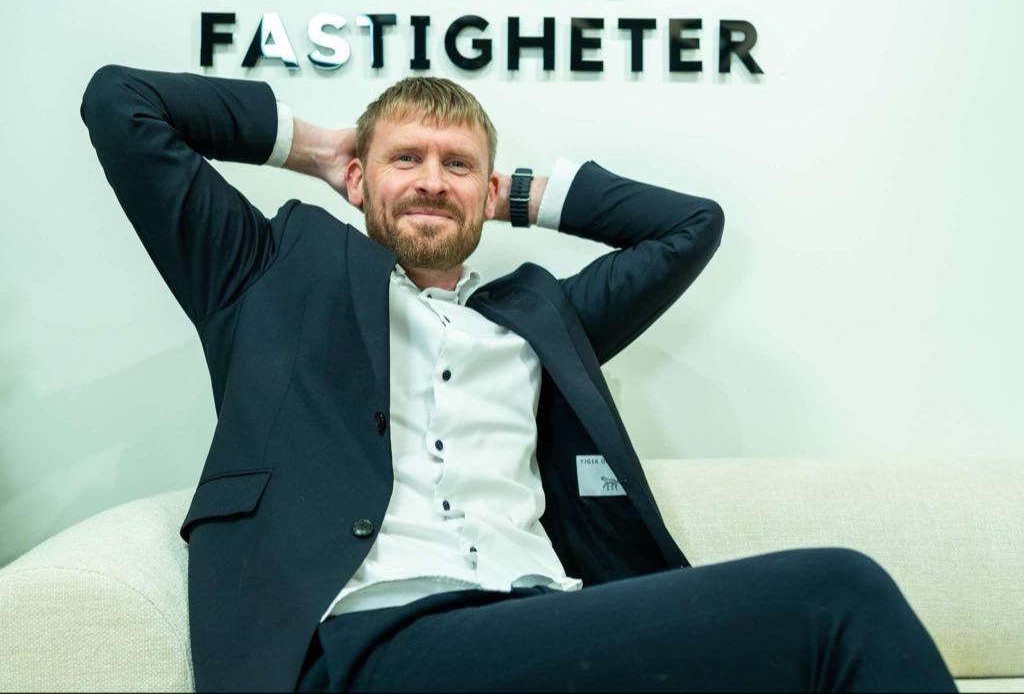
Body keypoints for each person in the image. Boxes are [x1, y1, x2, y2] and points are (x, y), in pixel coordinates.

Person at [79, 65, 956, 693]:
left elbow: (691, 225)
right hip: (371, 640)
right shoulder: (268, 274)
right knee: (839, 596)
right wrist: (318, 149)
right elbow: (121, 103)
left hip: (541, 623)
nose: (432, 181)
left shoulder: (540, 317)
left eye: (457, 166)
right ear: (357, 177)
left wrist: (516, 190)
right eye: (405, 159)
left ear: (488, 192)